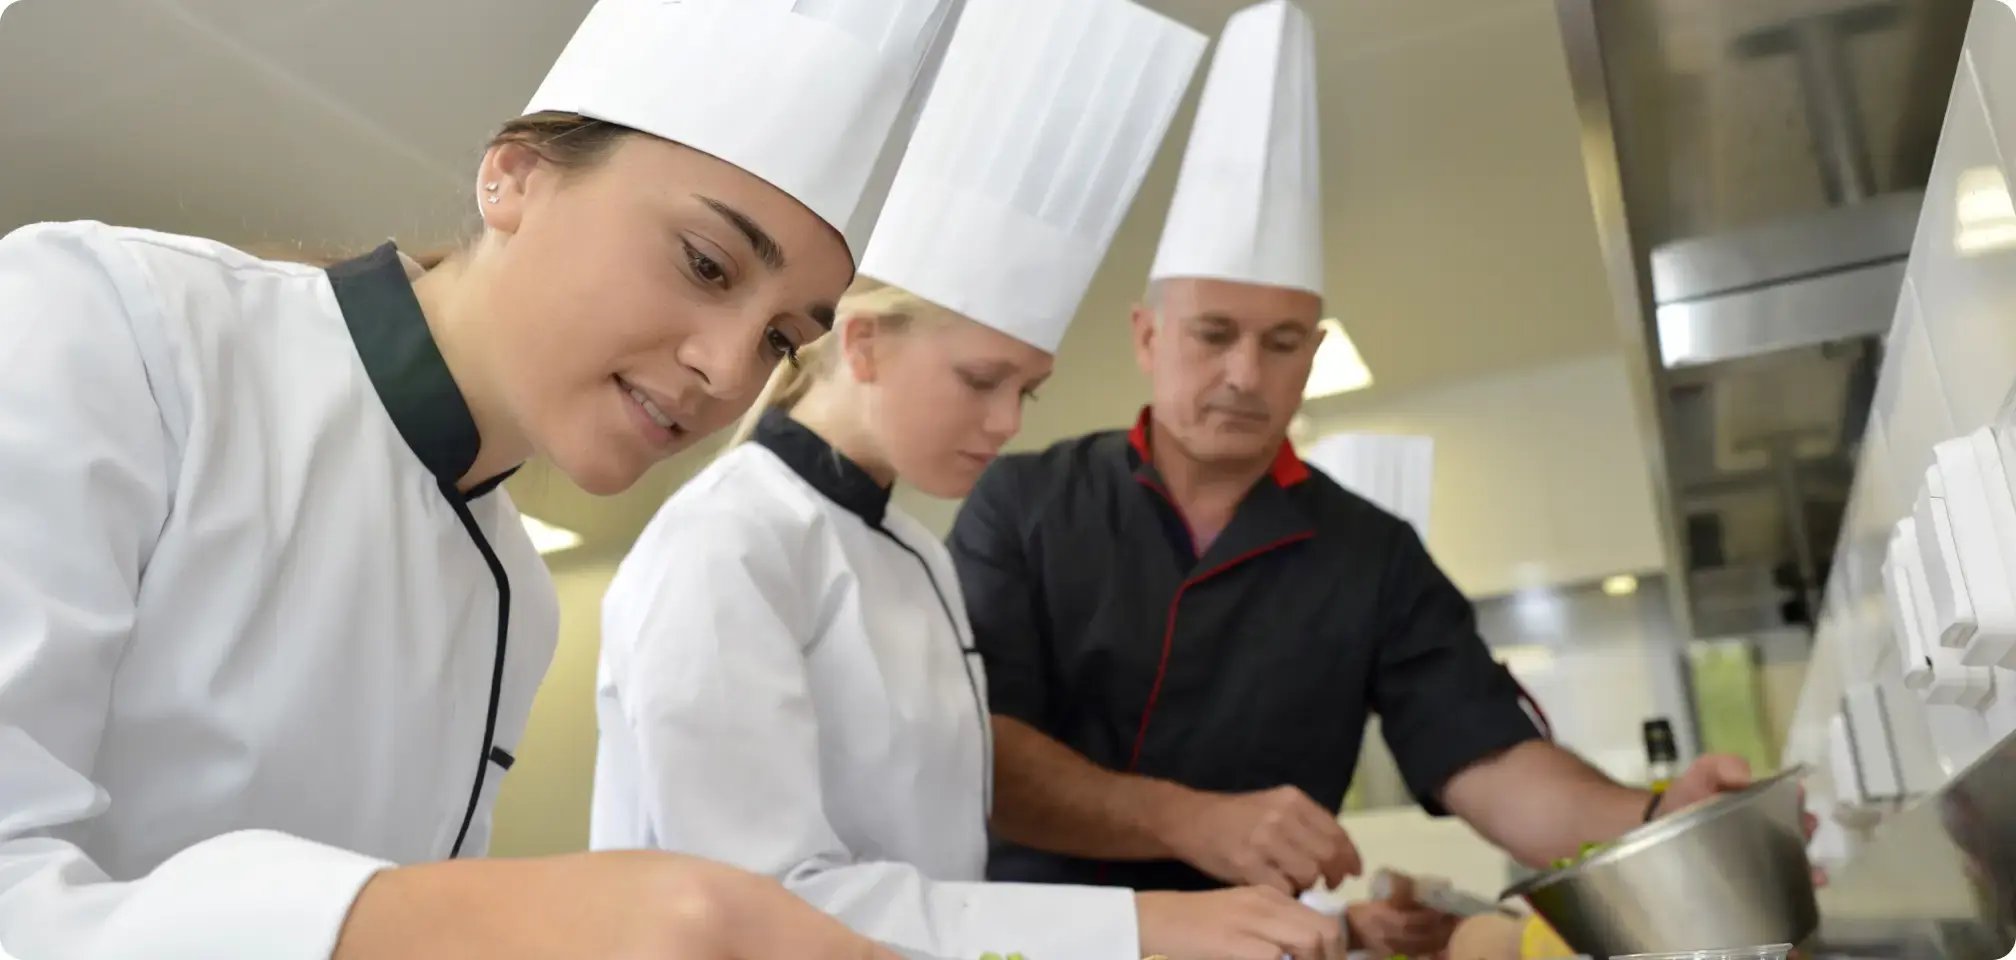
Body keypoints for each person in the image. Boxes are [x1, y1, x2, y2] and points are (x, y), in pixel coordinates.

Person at [0, 0, 960, 957]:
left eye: (782, 341)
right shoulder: (105, 323)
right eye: (707, 265)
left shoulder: (519, 597)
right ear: (514, 178)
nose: (728, 370)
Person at [945, 2, 1779, 957]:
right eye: (1214, 335)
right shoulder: (1025, 504)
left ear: (1313, 351)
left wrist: (1659, 812)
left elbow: (1492, 760)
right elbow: (979, 753)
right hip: (1037, 942)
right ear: (1147, 335)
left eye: (1283, 342)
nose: (1245, 375)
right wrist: (1189, 820)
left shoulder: (1369, 555)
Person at [590, 3, 1346, 959]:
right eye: (982, 382)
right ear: (860, 341)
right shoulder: (728, 542)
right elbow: (761, 906)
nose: (1009, 425)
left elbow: (939, 873)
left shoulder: (915, 556)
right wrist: (1146, 923)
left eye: (1027, 390)